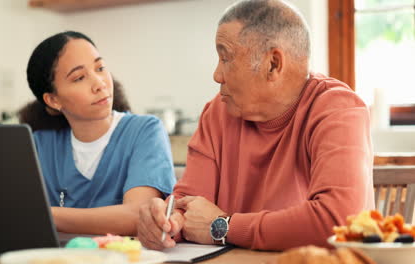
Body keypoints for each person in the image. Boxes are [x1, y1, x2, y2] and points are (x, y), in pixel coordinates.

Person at [137, 0, 374, 250]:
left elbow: (337, 221)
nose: (216, 75)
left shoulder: (337, 109)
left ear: (273, 64)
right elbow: (189, 206)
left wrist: (224, 226)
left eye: (225, 58)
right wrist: (167, 221)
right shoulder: (218, 111)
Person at [23, 31, 176, 236]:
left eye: (100, 68)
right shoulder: (38, 146)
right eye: (79, 78)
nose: (100, 83)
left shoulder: (145, 131)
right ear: (53, 100)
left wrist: (43, 214)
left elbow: (138, 216)